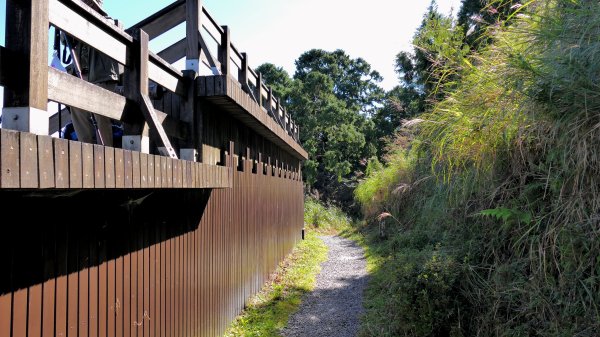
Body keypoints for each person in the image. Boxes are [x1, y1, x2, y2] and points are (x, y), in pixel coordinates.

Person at [66, 0, 123, 147]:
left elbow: (107, 34)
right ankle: (86, 150)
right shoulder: (76, 20)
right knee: (77, 110)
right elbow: (67, 43)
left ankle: (105, 152)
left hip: (101, 75)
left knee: (100, 114)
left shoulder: (108, 22)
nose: (87, 4)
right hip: (81, 75)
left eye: (90, 3)